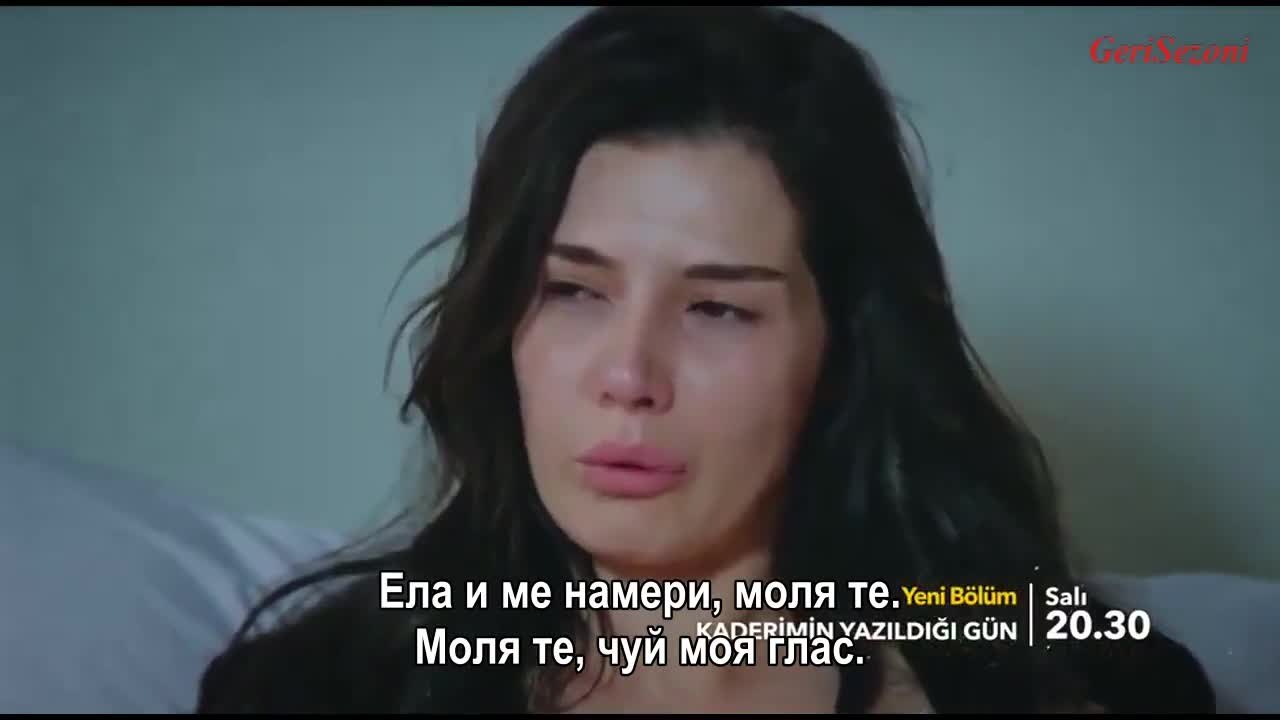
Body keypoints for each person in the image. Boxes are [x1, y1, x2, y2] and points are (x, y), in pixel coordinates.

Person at [195, 6, 1215, 713]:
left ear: (841, 352)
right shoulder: (325, 687)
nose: (628, 376)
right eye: (572, 291)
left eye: (719, 309)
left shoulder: (1043, 672)